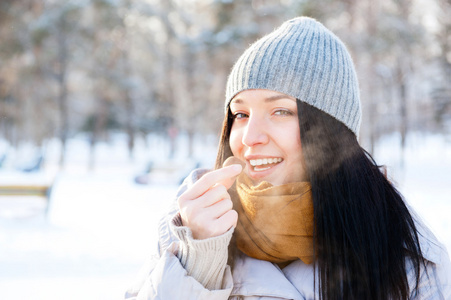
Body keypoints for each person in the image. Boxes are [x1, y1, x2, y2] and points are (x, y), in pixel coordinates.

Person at [125, 17, 451, 300]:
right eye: (240, 113)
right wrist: (197, 265)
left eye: (280, 111)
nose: (250, 136)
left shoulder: (399, 249)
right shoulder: (188, 227)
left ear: (329, 129)